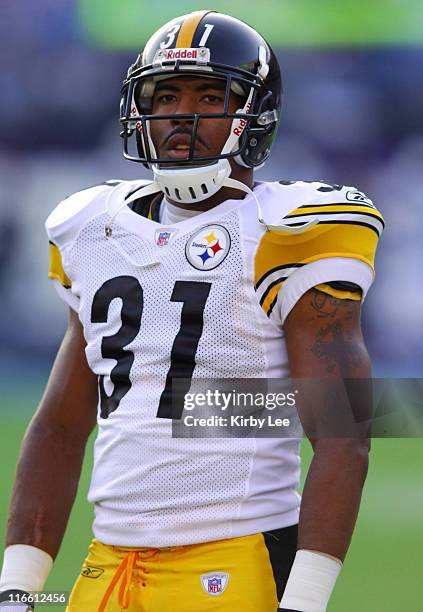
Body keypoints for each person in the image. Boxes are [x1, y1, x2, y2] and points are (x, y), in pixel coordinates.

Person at [0, 10, 384, 612]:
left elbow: (342, 431)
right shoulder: (91, 225)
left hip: (236, 558)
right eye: (166, 94)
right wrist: (19, 589)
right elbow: (60, 425)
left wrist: (304, 600)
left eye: (211, 95)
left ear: (253, 116)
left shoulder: (286, 228)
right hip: (107, 567)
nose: (183, 113)